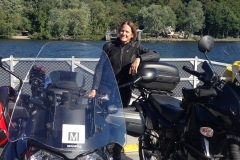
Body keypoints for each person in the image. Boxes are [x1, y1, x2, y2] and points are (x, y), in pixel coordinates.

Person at [88, 21, 160, 160]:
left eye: (127, 32)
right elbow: (99, 68)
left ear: (132, 34)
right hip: (106, 88)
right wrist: (94, 89)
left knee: (120, 121)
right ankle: (103, 146)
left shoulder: (136, 47)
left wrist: (139, 58)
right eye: (122, 31)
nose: (124, 34)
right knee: (103, 118)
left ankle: (117, 149)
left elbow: (156, 54)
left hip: (124, 90)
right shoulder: (109, 46)